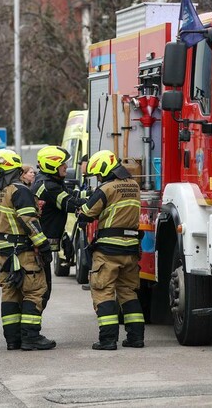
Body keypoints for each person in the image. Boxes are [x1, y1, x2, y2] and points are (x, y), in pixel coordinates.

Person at [0, 149, 56, 351]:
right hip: (22, 250)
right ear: (17, 169)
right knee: (34, 291)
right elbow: (29, 222)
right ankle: (31, 337)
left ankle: (12, 340)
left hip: (3, 251)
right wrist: (44, 246)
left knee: (10, 292)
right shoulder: (20, 190)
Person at [78, 149, 144, 350]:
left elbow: (87, 213)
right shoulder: (134, 185)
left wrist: (82, 205)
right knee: (128, 293)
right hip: (131, 249)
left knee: (103, 292)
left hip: (108, 250)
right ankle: (136, 338)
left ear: (105, 170)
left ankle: (107, 340)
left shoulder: (106, 188)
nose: (98, 178)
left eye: (99, 174)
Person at [30, 145, 86, 309]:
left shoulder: (52, 182)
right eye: (63, 164)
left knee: (42, 291)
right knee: (41, 292)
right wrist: (100, 199)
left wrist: (93, 193)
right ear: (51, 164)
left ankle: (31, 324)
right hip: (38, 248)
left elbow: (71, 195)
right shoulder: (49, 186)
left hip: (41, 247)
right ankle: (30, 325)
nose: (66, 167)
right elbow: (70, 203)